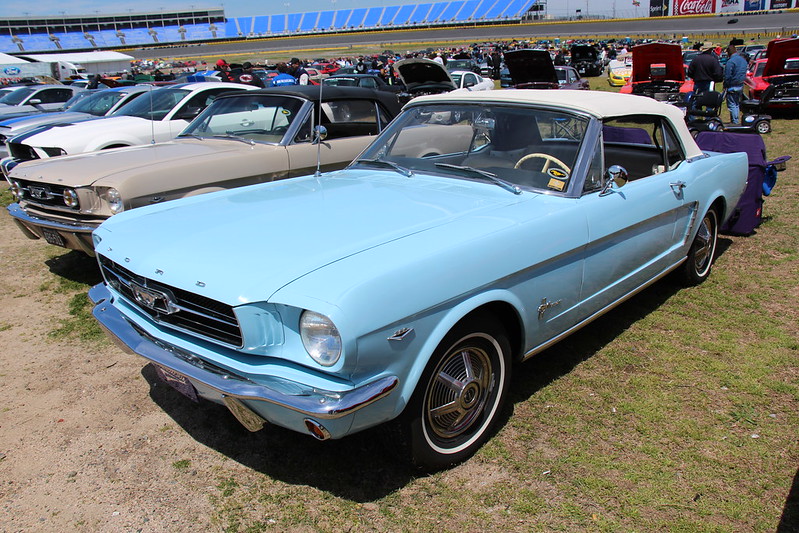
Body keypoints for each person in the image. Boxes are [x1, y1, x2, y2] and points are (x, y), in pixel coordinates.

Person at [723, 44, 748, 124]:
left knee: (732, 105)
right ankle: (736, 120)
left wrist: (725, 85)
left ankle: (735, 121)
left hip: (732, 86)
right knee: (737, 104)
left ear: (728, 53)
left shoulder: (730, 62)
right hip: (740, 85)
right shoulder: (743, 60)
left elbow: (727, 76)